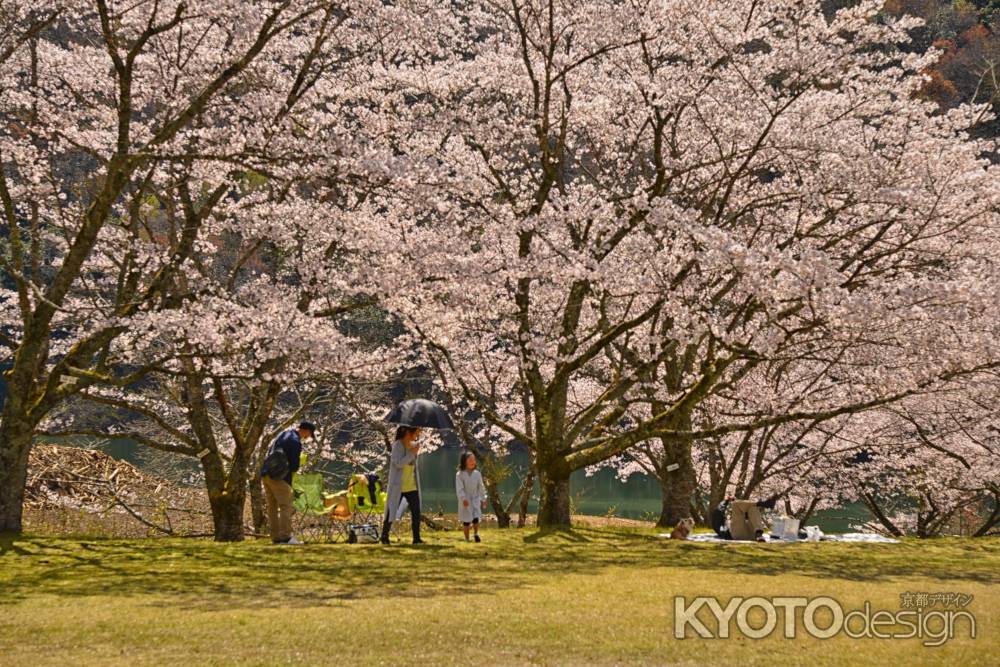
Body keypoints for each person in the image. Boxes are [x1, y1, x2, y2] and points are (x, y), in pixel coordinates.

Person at [261, 420, 315, 545]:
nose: (307, 437)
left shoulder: (284, 434)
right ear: (306, 431)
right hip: (279, 477)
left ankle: (276, 537)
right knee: (286, 505)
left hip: (266, 472)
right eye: (309, 434)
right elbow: (294, 466)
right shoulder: (295, 442)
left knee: (272, 507)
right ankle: (285, 537)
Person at [380, 425, 423, 545]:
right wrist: (411, 453)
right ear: (409, 432)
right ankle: (384, 536)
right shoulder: (397, 445)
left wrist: (414, 451)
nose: (417, 435)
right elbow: (398, 463)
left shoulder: (414, 445)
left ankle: (416, 538)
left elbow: (412, 466)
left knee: (416, 511)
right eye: (416, 432)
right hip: (398, 485)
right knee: (391, 509)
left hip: (411, 485)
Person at [456, 450, 487, 542]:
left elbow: (481, 486)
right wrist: (463, 498)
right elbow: (459, 488)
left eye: (474, 460)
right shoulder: (460, 474)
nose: (472, 462)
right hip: (465, 500)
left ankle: (476, 534)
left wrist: (483, 498)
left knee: (476, 517)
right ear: (464, 461)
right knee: (466, 520)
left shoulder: (477, 474)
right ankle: (467, 538)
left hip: (475, 498)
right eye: (470, 460)